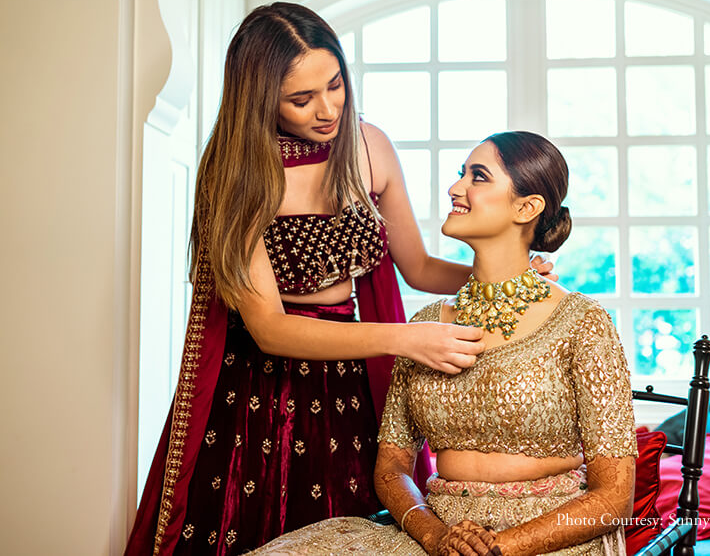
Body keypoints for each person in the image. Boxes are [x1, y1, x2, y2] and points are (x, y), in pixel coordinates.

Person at [125, 3, 554, 556]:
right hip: (261, 395)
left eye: (335, 85)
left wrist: (507, 273)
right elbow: (271, 330)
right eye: (301, 100)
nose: (327, 109)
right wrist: (407, 340)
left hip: (349, 388)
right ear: (259, 99)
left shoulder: (369, 145)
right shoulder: (238, 173)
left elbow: (418, 268)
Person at [251, 131, 637, 556]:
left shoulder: (582, 323)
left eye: (479, 177)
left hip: (547, 538)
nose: (456, 187)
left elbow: (614, 496)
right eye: (461, 174)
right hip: (438, 537)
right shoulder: (425, 327)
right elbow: (392, 469)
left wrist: (497, 549)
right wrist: (437, 536)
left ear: (526, 207)